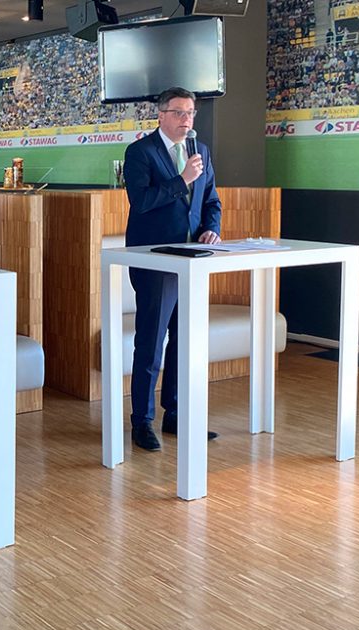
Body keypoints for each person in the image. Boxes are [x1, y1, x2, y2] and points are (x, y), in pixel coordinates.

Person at [122, 87, 222, 452]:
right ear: (161, 115)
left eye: (191, 113)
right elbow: (142, 202)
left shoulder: (201, 152)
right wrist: (182, 180)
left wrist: (213, 228)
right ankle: (141, 421)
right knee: (150, 342)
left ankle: (175, 415)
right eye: (179, 113)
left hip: (192, 259)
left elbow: (211, 201)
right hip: (155, 261)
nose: (187, 120)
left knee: (184, 341)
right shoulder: (140, 152)